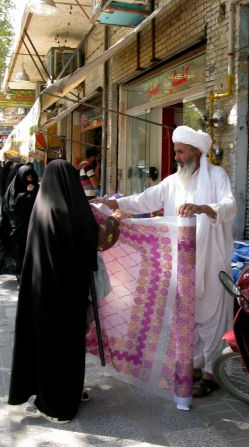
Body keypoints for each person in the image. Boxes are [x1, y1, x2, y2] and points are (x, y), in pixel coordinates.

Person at [100, 125, 237, 398]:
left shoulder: (218, 176)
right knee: (188, 313)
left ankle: (211, 372)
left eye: (181, 151)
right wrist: (116, 205)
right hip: (184, 261)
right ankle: (195, 367)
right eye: (176, 151)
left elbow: (230, 205)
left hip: (211, 259)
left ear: (196, 152)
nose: (177, 156)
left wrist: (203, 209)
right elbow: (145, 200)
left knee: (211, 314)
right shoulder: (174, 181)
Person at [8, 159, 122, 424]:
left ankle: (57, 392)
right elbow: (99, 240)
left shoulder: (43, 205)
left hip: (41, 290)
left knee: (47, 343)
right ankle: (57, 404)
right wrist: (115, 221)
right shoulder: (71, 210)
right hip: (66, 293)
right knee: (64, 346)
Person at [0, 164, 39, 282]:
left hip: (33, 229)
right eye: (27, 178)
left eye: (31, 177)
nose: (30, 180)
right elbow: (14, 206)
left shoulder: (37, 189)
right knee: (20, 253)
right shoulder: (13, 191)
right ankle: (21, 275)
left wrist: (33, 192)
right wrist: (30, 194)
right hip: (17, 230)